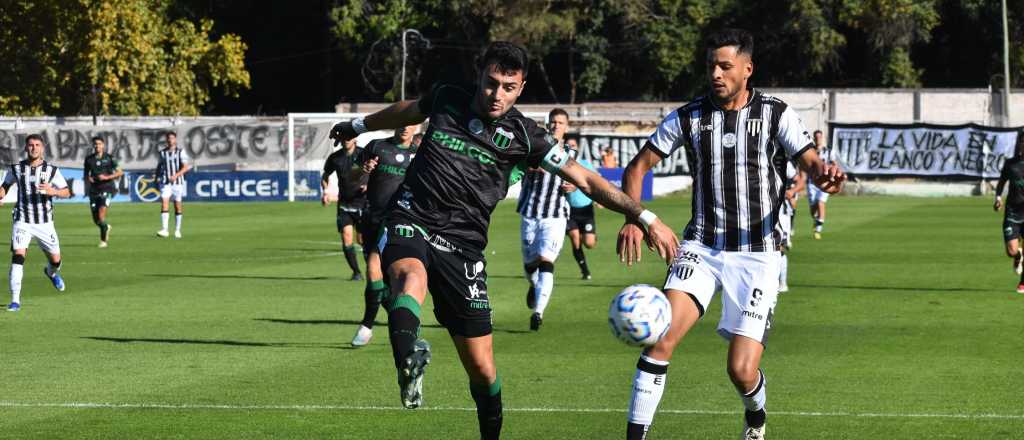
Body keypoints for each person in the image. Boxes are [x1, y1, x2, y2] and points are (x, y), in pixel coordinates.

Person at [329, 41, 677, 440]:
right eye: (491, 83)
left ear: (521, 87)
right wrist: (359, 126)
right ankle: (407, 360)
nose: (497, 94)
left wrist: (643, 215)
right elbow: (408, 109)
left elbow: (586, 179)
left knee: (482, 367)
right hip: (413, 218)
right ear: (479, 75)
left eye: (508, 87)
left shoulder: (527, 137)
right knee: (410, 276)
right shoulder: (447, 97)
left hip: (464, 246)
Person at [617, 29, 845, 440]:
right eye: (711, 66)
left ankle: (756, 417)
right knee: (659, 341)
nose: (716, 74)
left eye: (725, 66)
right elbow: (636, 169)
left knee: (740, 370)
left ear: (747, 69)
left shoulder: (775, 114)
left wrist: (824, 176)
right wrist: (635, 218)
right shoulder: (690, 117)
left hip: (758, 255)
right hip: (701, 247)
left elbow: (809, 161)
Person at [349, 124, 419, 346]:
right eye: (402, 122)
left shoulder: (420, 155)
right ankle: (404, 325)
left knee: (373, 269)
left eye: (411, 123)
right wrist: (363, 170)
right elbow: (352, 175)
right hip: (371, 217)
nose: (405, 127)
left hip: (399, 219)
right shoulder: (377, 146)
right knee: (384, 283)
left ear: (417, 126)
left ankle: (366, 327)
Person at [1, 134, 71, 311]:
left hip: (44, 223)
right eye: (30, 145)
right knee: (18, 257)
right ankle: (15, 301)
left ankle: (51, 272)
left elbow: (67, 192)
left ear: (42, 148)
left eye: (37, 145)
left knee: (56, 260)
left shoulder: (52, 170)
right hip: (22, 220)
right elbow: (5, 186)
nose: (34, 148)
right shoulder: (17, 168)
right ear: (26, 148)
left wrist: (53, 191)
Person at [516, 108, 572, 331]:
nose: (556, 126)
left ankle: (538, 312)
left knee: (546, 259)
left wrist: (573, 185)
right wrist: (530, 167)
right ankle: (533, 284)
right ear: (548, 125)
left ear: (566, 127)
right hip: (530, 212)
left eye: (561, 123)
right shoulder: (533, 149)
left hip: (556, 215)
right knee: (531, 265)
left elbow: (579, 180)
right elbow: (518, 168)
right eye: (553, 122)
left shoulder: (571, 154)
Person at [321, 138, 369, 281]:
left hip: (363, 203)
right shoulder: (335, 158)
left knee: (362, 240)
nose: (346, 140)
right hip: (344, 204)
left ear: (355, 139)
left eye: (349, 137)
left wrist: (370, 185)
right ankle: (356, 272)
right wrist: (326, 191)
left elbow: (377, 170)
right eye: (344, 137)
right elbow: (325, 175)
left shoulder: (364, 154)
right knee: (346, 237)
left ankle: (374, 269)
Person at [562, 140, 599, 280]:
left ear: (577, 148)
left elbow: (595, 181)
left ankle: (593, 236)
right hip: (569, 210)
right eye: (569, 145)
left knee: (589, 243)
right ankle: (585, 271)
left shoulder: (585, 164)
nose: (571, 148)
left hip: (586, 210)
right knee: (575, 239)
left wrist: (598, 199)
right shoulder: (560, 164)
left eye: (573, 145)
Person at [994, 134, 1024, 293]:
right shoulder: (1011, 164)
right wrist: (998, 198)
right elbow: (1001, 183)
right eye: (1023, 143)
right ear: (1020, 144)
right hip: (1012, 213)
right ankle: (1018, 256)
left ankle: (1023, 283)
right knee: (1011, 251)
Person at [83, 136, 123, 248]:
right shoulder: (89, 159)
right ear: (93, 145)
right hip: (94, 190)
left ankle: (103, 241)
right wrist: (88, 179)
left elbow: (120, 172)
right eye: (95, 144)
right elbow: (86, 174)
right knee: (96, 220)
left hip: (107, 188)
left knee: (101, 216)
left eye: (99, 144)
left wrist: (107, 177)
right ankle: (106, 226)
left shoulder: (110, 158)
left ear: (103, 145)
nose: (97, 146)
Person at [776, 157, 805, 292]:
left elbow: (800, 182)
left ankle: (782, 283)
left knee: (779, 247)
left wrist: (792, 192)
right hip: (763, 210)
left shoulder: (784, 164)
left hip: (781, 212)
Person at [154, 132, 191, 238]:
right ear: (166, 140)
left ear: (175, 139)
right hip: (165, 182)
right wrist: (156, 179)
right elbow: (159, 166)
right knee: (164, 202)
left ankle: (177, 230)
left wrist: (176, 175)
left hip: (177, 182)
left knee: (177, 205)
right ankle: (165, 230)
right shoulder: (162, 153)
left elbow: (185, 167)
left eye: (172, 138)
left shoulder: (181, 152)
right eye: (168, 138)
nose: (170, 140)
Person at [807, 130, 834, 239]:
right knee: (813, 208)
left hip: (825, 182)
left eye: (820, 137)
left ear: (822, 138)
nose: (818, 139)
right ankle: (816, 220)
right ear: (814, 138)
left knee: (820, 202)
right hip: (812, 182)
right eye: (816, 137)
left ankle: (818, 230)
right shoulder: (810, 151)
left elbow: (834, 163)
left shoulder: (828, 151)